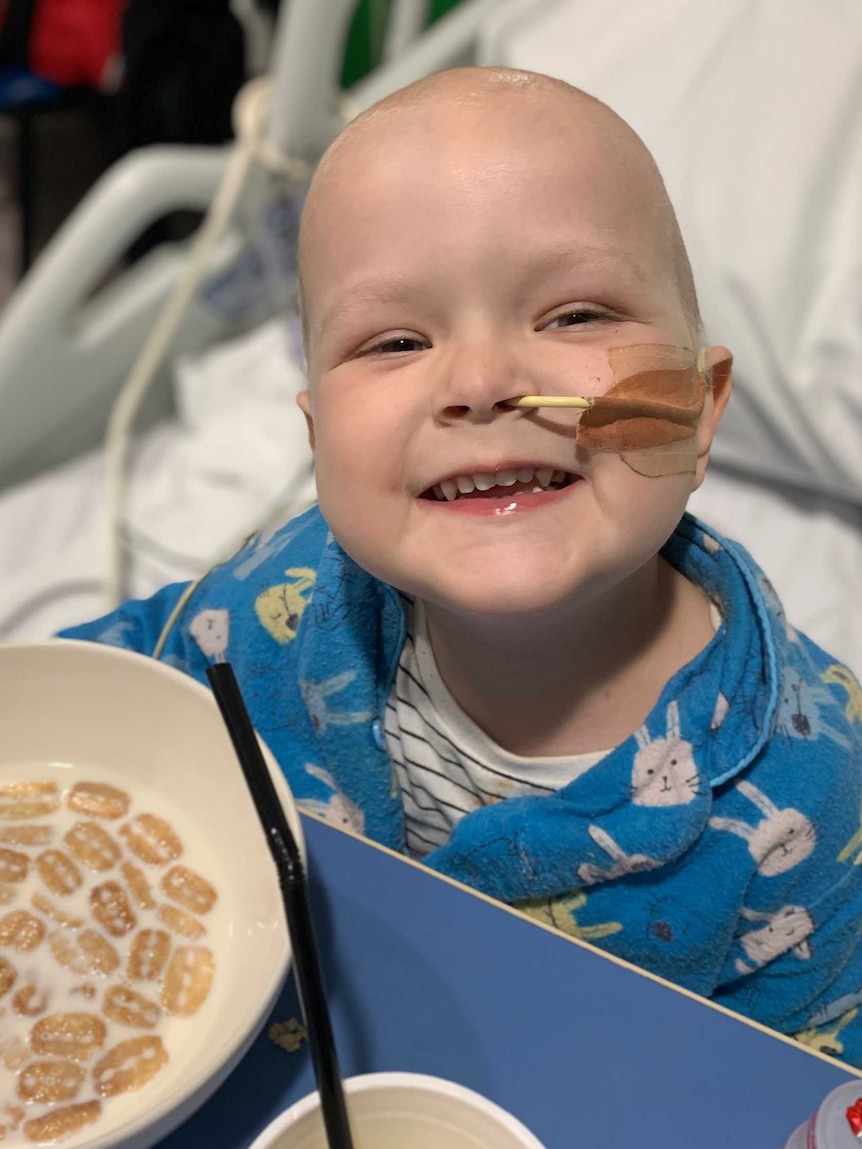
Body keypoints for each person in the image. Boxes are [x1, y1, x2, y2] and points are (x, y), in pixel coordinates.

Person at [63, 67, 862, 1064]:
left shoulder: (816, 795)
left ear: (699, 411)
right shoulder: (286, 594)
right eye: (395, 339)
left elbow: (810, 1084)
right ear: (317, 442)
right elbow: (127, 683)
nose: (483, 385)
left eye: (574, 316)